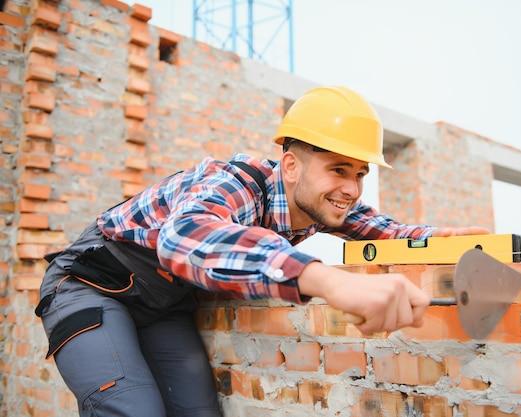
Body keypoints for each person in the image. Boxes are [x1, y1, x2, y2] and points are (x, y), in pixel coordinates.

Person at [36, 85, 489, 416]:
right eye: (338, 169)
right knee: (134, 410)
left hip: (163, 304)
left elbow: (392, 232)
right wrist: (328, 281)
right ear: (290, 165)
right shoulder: (237, 181)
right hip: (91, 285)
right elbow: (186, 237)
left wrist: (458, 241)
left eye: (360, 173)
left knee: (197, 411)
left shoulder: (325, 201)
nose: (351, 188)